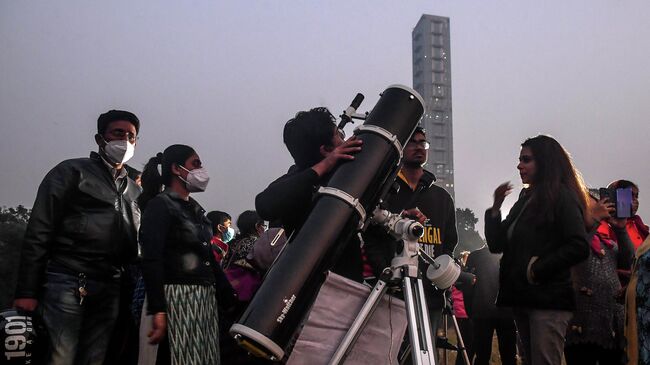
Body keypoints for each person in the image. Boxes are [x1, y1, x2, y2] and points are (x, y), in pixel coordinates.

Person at [14, 110, 142, 364]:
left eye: (131, 136)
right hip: (68, 279)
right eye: (118, 133)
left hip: (111, 284)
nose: (125, 141)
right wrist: (26, 290)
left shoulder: (134, 188)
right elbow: (39, 231)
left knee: (94, 358)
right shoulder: (71, 172)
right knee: (59, 356)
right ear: (99, 138)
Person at [485, 134, 590, 365]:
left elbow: (579, 245)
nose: (519, 165)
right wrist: (495, 208)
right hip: (523, 298)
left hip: (548, 299)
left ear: (545, 162)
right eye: (520, 159)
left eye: (526, 159)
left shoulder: (562, 196)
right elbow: (497, 244)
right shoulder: (526, 198)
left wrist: (538, 269)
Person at [364, 126, 458, 348]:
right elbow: (371, 237)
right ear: (401, 148)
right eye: (413, 142)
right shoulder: (386, 191)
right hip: (393, 294)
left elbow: (449, 243)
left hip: (430, 294)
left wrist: (443, 276)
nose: (419, 147)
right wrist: (384, 273)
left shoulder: (442, 197)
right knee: (388, 353)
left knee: (426, 352)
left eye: (423, 143)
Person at [138, 144, 233, 365]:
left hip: (203, 299)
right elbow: (151, 259)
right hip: (175, 297)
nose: (202, 170)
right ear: (177, 169)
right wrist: (158, 309)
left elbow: (207, 257)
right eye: (196, 164)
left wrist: (227, 293)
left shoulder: (197, 211)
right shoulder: (161, 206)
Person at [255, 107, 364, 281]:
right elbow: (264, 205)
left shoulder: (347, 175)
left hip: (350, 282)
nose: (344, 139)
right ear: (327, 149)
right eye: (339, 135)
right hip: (313, 284)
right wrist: (326, 165)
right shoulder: (298, 181)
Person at [564, 195, 634, 365]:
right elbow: (577, 250)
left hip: (612, 324)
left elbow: (627, 260)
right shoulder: (571, 240)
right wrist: (592, 222)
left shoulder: (607, 243)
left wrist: (621, 229)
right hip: (583, 324)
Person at [463, 245, 517, 365]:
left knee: (482, 356)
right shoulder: (511, 254)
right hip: (506, 311)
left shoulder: (475, 256)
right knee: (509, 356)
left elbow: (467, 286)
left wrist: (470, 311)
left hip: (482, 311)